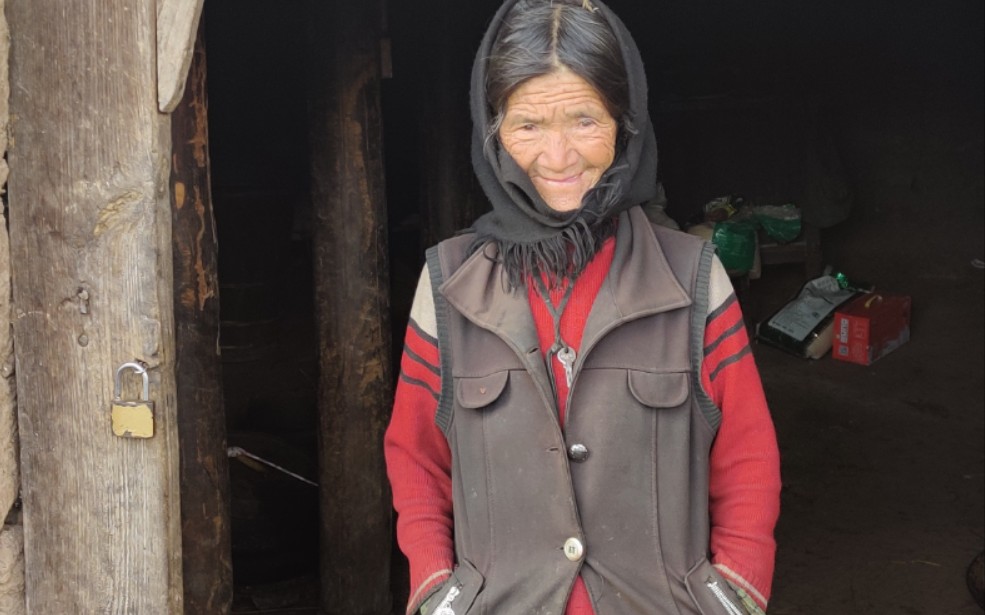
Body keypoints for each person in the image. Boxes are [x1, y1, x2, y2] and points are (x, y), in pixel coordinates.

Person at [384, 0, 781, 613]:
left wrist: (732, 597)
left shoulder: (693, 279)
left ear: (625, 124)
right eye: (528, 126)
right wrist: (438, 592)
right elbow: (417, 460)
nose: (558, 157)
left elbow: (747, 459)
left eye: (584, 120)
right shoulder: (448, 285)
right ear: (491, 131)